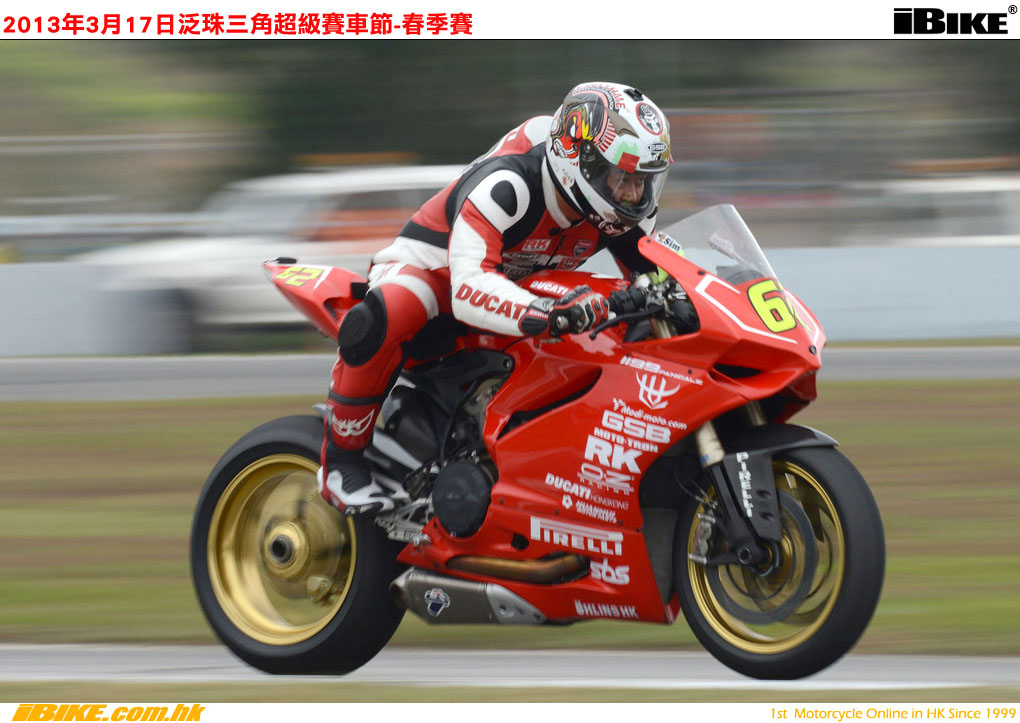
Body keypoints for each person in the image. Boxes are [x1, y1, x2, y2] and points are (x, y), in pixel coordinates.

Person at [318, 81, 672, 515]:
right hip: (438, 274)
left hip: (518, 286)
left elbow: (659, 275)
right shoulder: (510, 184)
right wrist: (547, 311)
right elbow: (468, 288)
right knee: (390, 311)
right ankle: (342, 465)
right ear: (579, 161)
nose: (634, 195)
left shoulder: (620, 211)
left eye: (644, 181)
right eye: (623, 179)